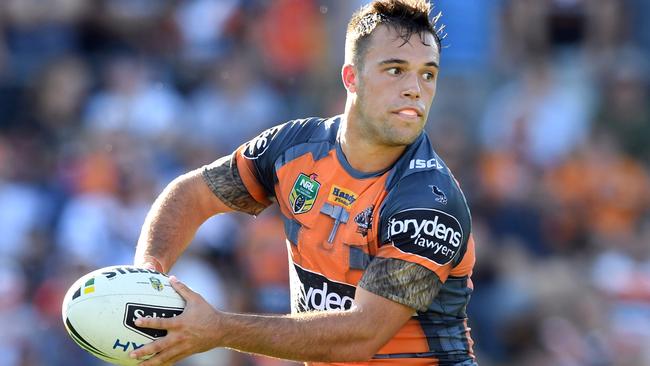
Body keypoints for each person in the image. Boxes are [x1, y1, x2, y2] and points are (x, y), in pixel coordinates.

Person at [131, 1, 478, 365]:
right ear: (351, 77)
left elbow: (360, 337)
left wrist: (218, 329)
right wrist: (146, 277)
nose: (415, 89)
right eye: (395, 70)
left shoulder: (430, 202)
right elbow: (192, 195)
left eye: (428, 74)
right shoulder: (294, 148)